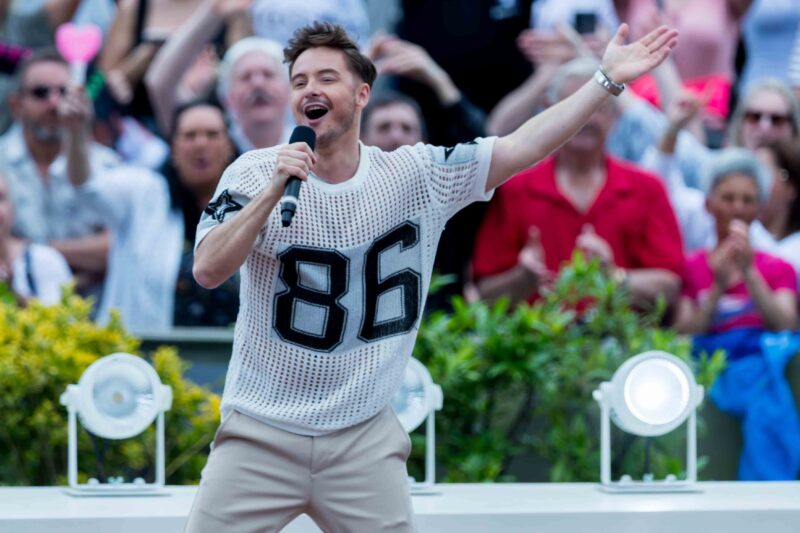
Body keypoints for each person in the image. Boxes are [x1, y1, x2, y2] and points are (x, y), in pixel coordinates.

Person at [185, 20, 677, 531]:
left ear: (362, 94)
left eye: (327, 78)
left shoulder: (417, 173)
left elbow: (520, 147)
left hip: (361, 436)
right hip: (261, 431)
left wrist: (604, 81)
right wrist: (272, 191)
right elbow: (208, 269)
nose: (310, 89)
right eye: (300, 81)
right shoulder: (253, 171)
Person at [471, 58, 684, 309]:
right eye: (573, 107)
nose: (586, 120)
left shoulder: (647, 188)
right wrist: (522, 278)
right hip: (539, 332)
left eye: (598, 108)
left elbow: (671, 286)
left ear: (615, 116)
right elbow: (485, 293)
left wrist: (615, 277)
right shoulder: (515, 188)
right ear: (548, 110)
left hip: (621, 333)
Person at [69, 101, 237, 331]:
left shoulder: (252, 202)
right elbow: (87, 186)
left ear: (229, 146)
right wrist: (76, 132)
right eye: (189, 135)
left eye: (212, 134)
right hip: (147, 348)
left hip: (232, 349)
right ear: (173, 148)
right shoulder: (144, 193)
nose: (201, 144)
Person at [0, 50, 119, 300]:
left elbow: (121, 245)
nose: (54, 103)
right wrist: (84, 255)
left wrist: (36, 252)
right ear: (16, 105)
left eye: (64, 92)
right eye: (41, 93)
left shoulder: (107, 164)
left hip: (97, 312)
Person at [145, 0, 290, 151]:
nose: (257, 84)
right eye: (245, 77)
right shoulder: (210, 141)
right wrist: (213, 13)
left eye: (268, 75)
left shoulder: (306, 139)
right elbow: (160, 84)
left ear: (289, 89)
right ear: (227, 96)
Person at [0, 171, 71, 306]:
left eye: (0, 198)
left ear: (12, 206)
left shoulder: (44, 260)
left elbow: (59, 316)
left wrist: (9, 291)